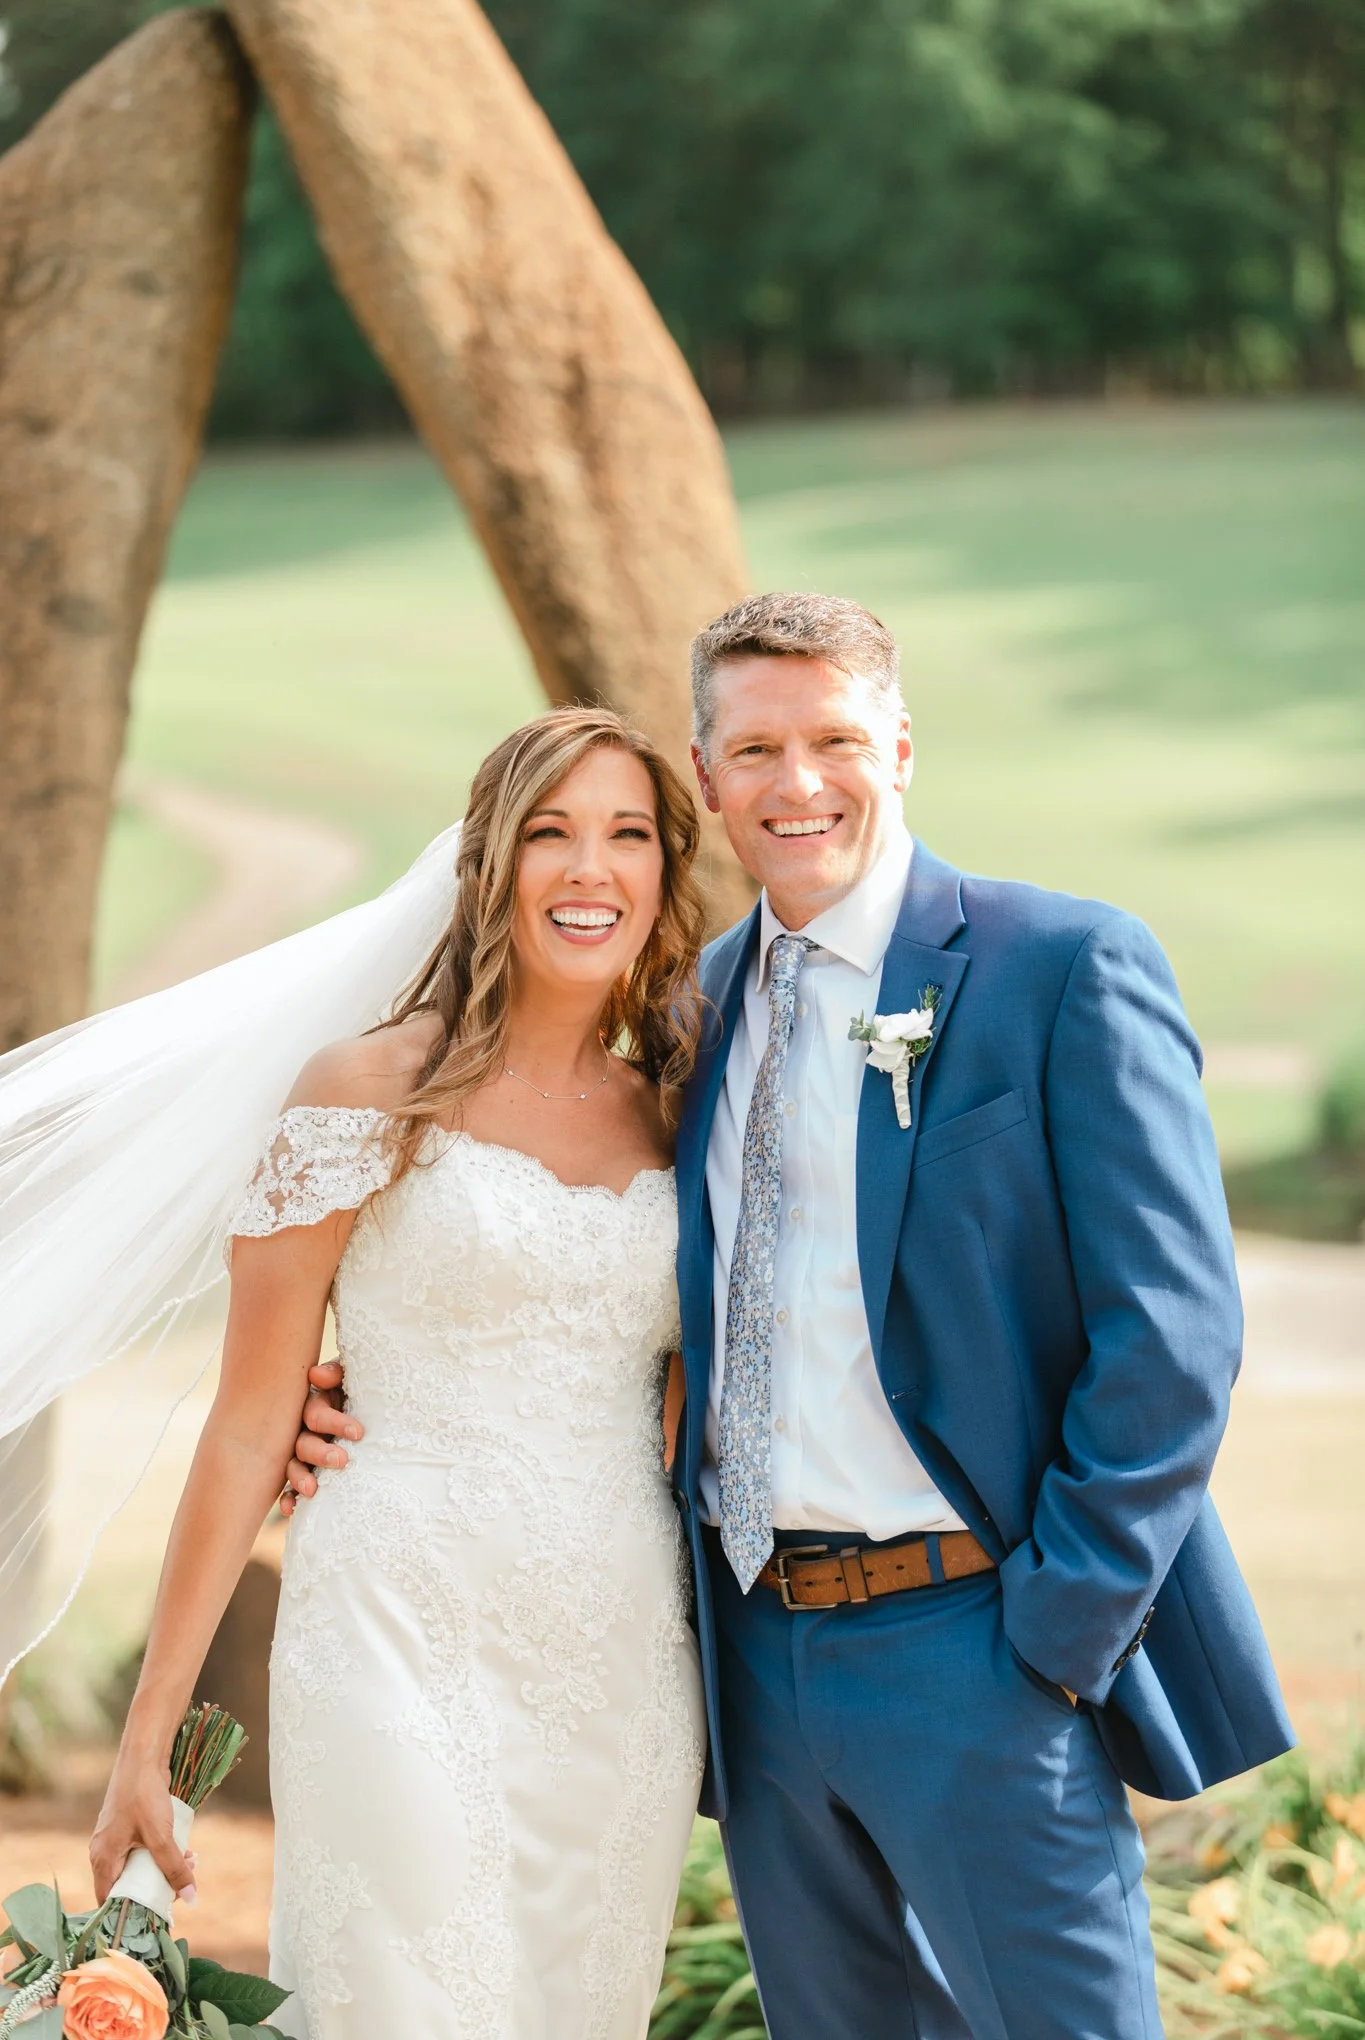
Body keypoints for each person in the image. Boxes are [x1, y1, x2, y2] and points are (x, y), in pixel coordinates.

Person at [291, 592, 1294, 2040]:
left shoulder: (1060, 967)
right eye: (756, 749)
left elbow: (1175, 1335)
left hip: (979, 1643)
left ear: (902, 748)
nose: (797, 782)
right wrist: (358, 1390)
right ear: (708, 778)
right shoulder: (690, 1014)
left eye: (835, 740)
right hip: (754, 1661)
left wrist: (1057, 1633)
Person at [89, 707, 710, 2040]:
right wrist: (151, 1735)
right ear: (486, 865)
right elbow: (249, 1422)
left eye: (627, 836)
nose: (589, 869)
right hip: (391, 1623)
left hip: (618, 1649)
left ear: (666, 872)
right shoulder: (364, 1090)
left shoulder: (683, 1114)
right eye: (550, 834)